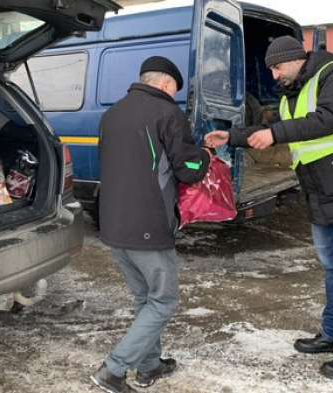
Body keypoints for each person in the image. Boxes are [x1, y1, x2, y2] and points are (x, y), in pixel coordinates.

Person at [205, 36, 333, 380]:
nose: (274, 76)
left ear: (294, 59)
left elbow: (327, 120)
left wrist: (275, 135)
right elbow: (268, 127)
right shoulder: (293, 96)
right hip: (321, 193)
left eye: (277, 68)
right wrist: (230, 137)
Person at [91, 56, 212, 393]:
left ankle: (150, 365)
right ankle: (113, 370)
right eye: (173, 89)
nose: (174, 95)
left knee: (145, 298)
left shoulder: (111, 113)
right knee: (163, 301)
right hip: (149, 221)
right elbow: (187, 167)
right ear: (163, 84)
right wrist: (205, 153)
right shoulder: (167, 113)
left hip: (113, 222)